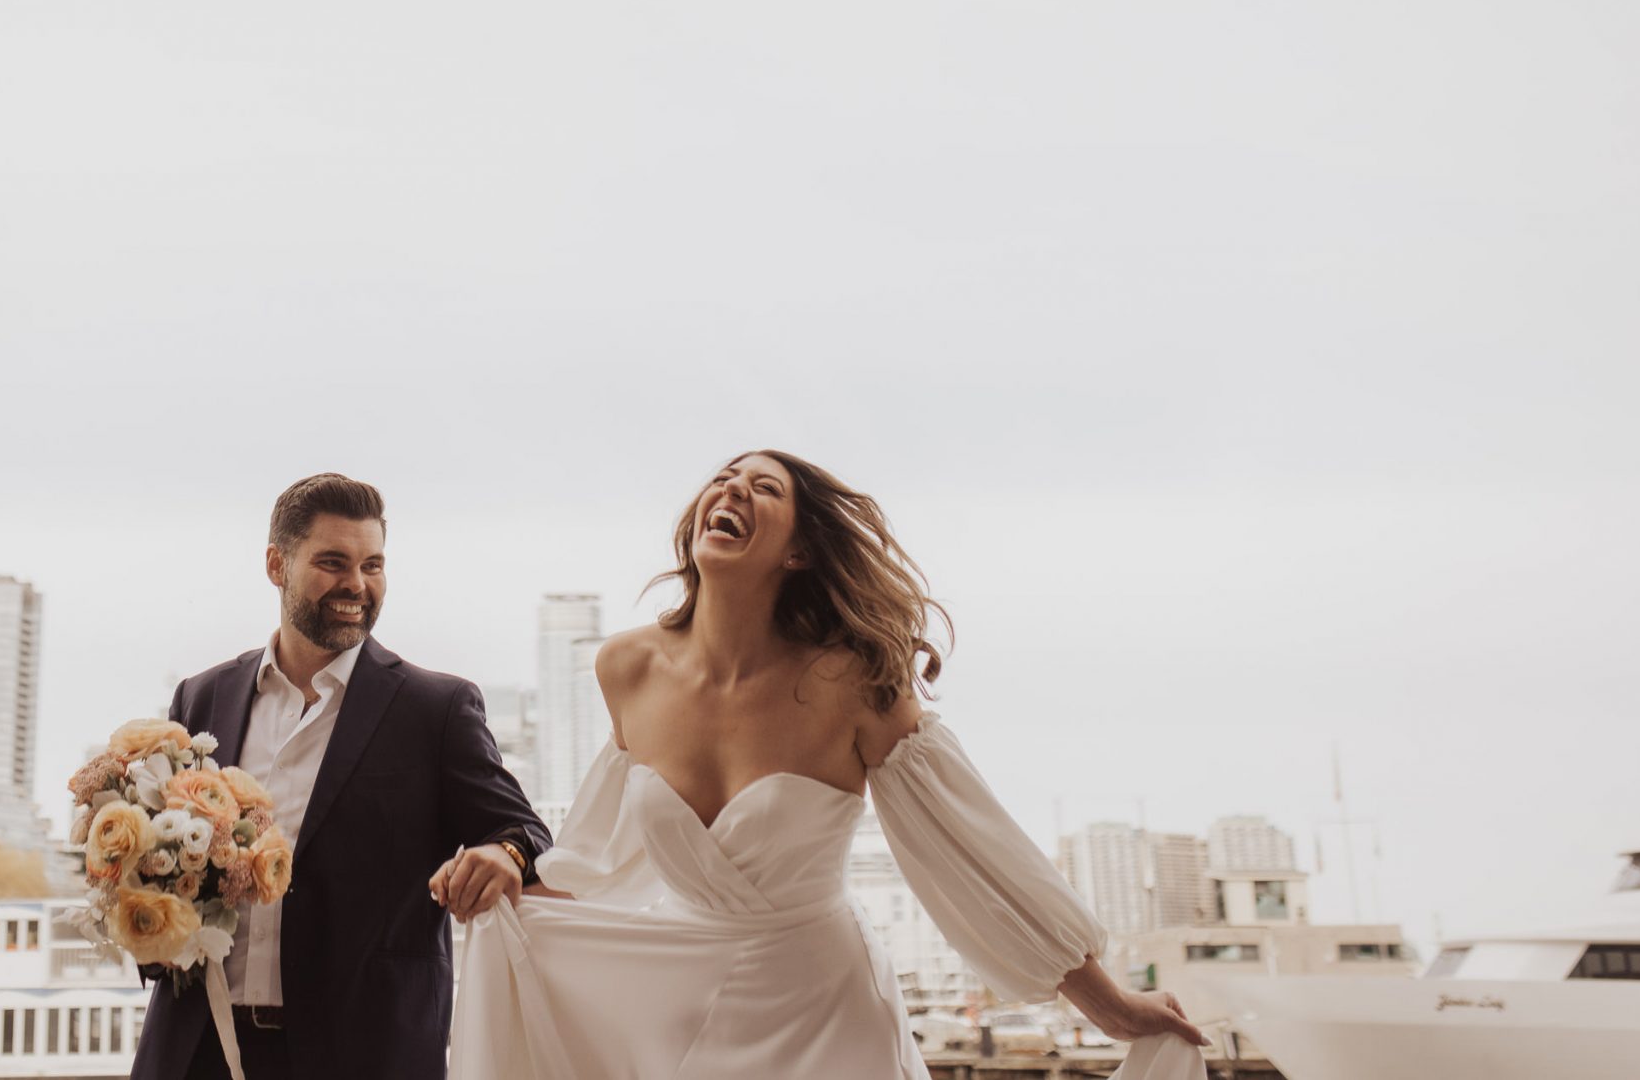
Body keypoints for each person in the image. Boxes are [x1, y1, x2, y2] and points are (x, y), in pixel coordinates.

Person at [445, 449, 1213, 1080]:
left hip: (825, 1011)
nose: (731, 490)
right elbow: (596, 862)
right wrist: (507, 863)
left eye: (763, 487)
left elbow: (973, 850)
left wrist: (1108, 1003)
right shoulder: (627, 668)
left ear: (800, 550)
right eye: (723, 478)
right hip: (679, 997)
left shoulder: (853, 679)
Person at [129, 472, 552, 1080]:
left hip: (364, 1055)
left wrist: (504, 854)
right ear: (276, 565)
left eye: (372, 565)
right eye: (333, 562)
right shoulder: (202, 696)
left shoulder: (436, 710)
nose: (357, 584)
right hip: (197, 1049)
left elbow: (525, 832)